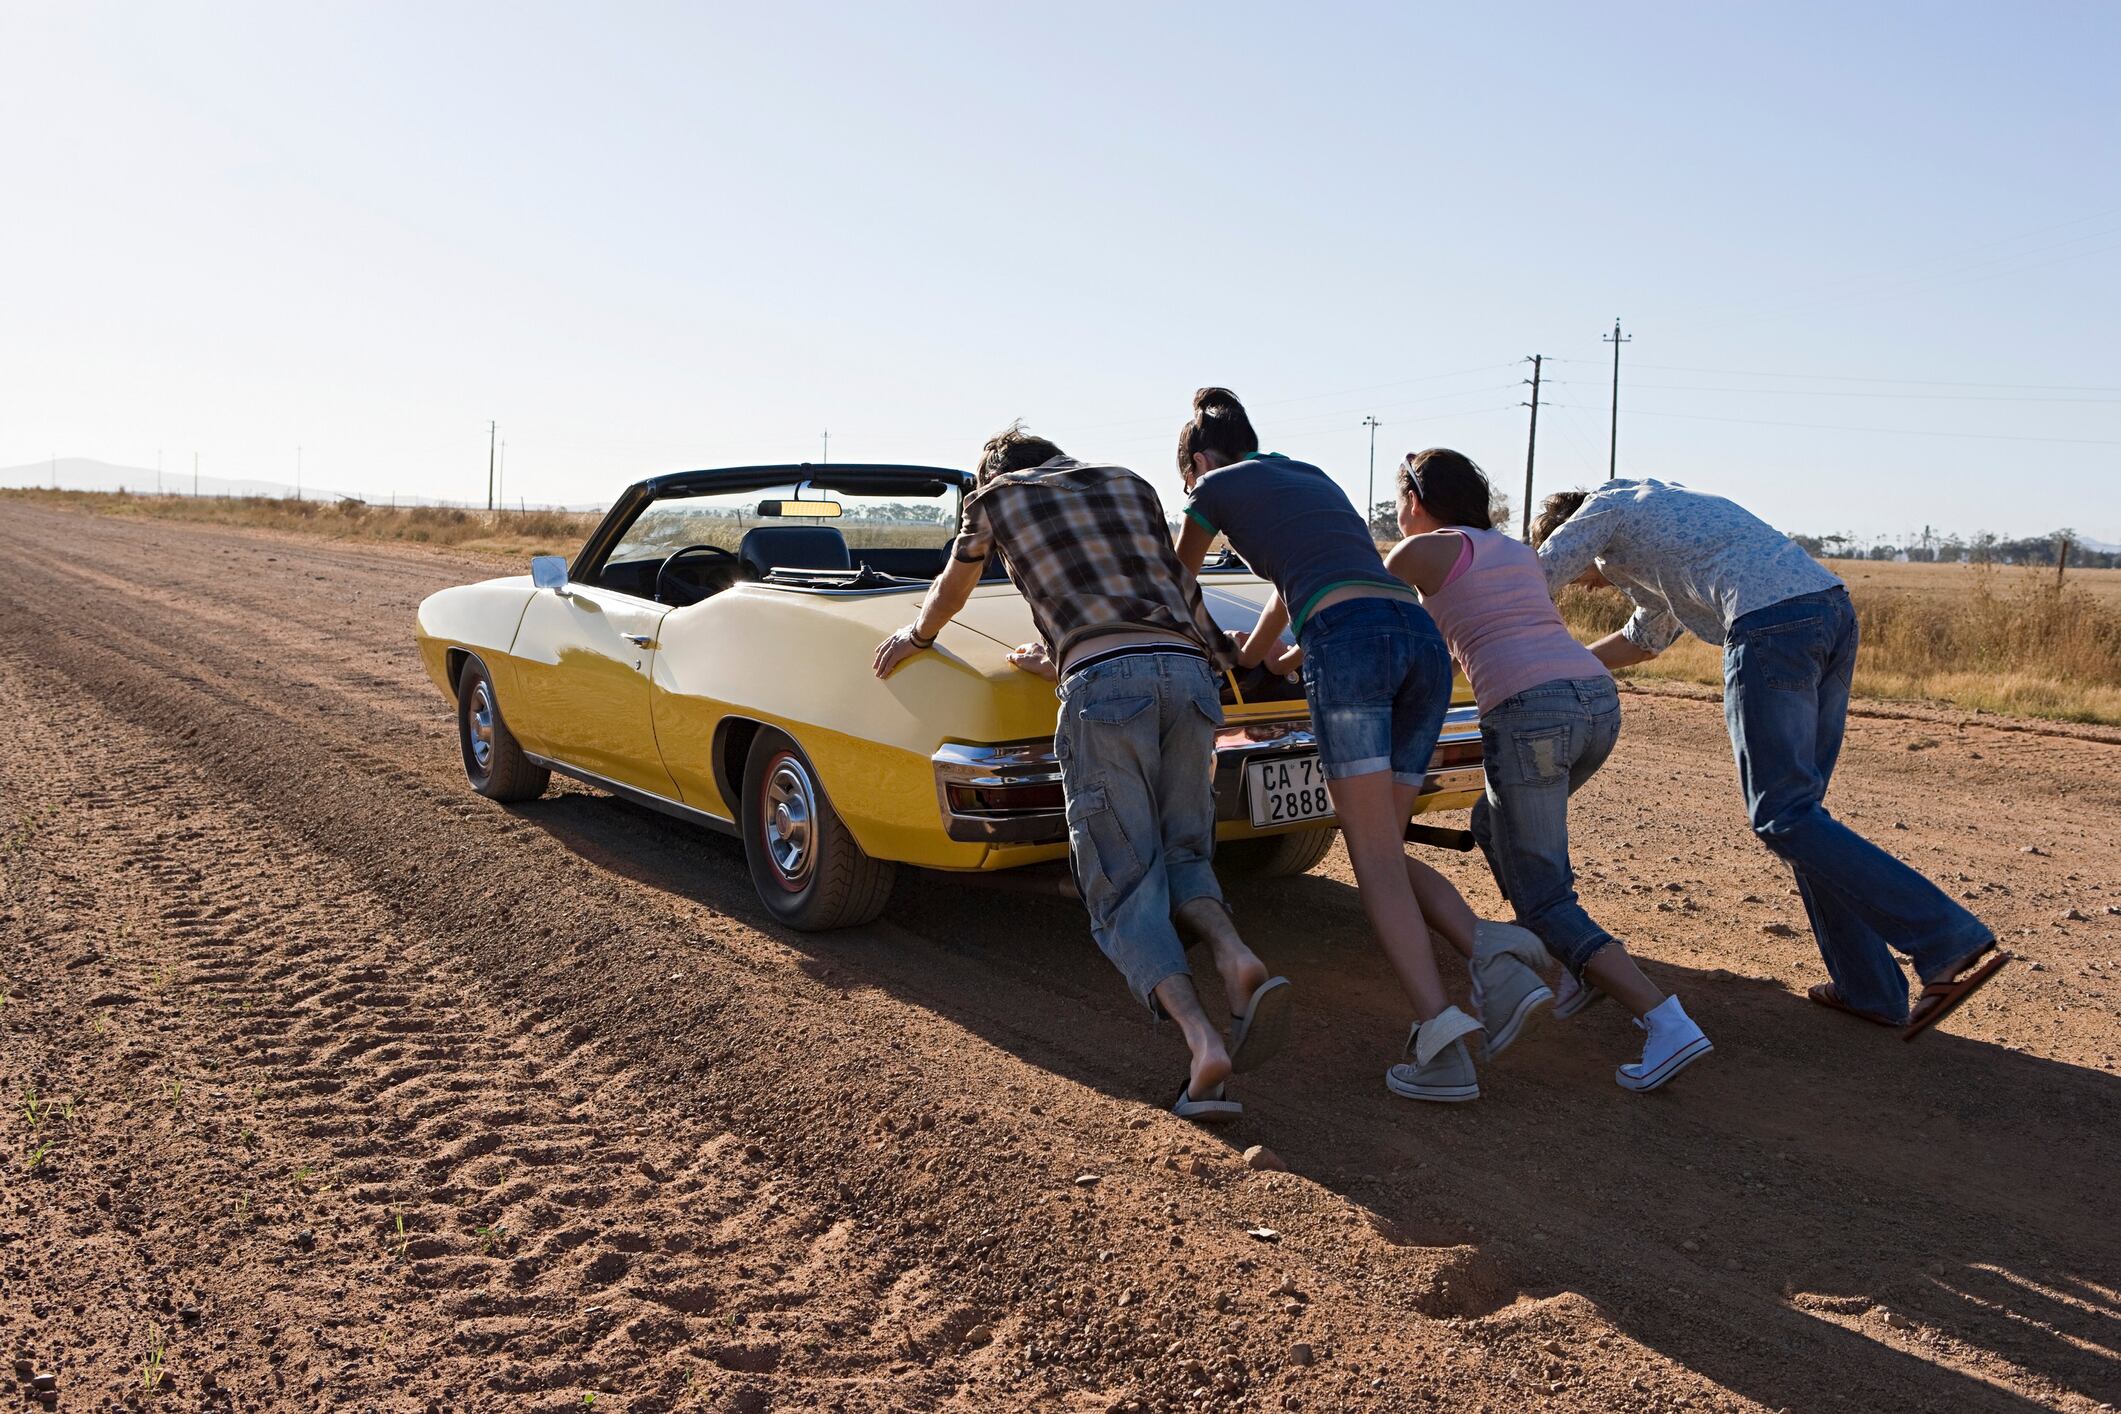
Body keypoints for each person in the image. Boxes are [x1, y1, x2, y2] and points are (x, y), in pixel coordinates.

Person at [874, 423, 1291, 1122]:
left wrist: (917, 636)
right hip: (1187, 677)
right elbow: (1179, 589)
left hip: (1105, 687)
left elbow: (955, 585)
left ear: (992, 473)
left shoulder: (993, 499)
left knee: (1122, 880)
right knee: (1184, 847)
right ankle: (1233, 953)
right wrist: (1219, 660)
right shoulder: (1129, 482)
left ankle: (1201, 1044)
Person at [1532, 479, 2005, 1039]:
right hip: (1829, 612)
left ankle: (1948, 939)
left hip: (1768, 628)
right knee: (1805, 820)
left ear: (1571, 531)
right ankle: (1870, 990)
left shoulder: (1604, 510)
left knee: (1782, 815)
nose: (1586, 586)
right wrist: (1565, 667)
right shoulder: (1656, 520)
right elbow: (1644, 639)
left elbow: (1531, 577)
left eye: (1585, 571)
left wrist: (1503, 645)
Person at [1171, 388, 1542, 1103]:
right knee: (1387, 842)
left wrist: (1218, 652)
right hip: (1414, 642)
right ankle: (1490, 951)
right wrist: (1265, 654)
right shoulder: (1308, 476)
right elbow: (1299, 577)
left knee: (1368, 856)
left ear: (1196, 460)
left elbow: (1173, 578)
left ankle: (1440, 1033)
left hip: (1349, 647)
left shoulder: (1213, 486)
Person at [1386, 449, 1711, 1091]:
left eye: (1399, 503)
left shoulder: (1416, 553)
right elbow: (1473, 635)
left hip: (1531, 715)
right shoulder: (1509, 551)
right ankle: (1579, 961)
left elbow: (1374, 614)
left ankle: (1665, 1020)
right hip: (1595, 701)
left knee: (1543, 895)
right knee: (1490, 821)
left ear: (1416, 501)